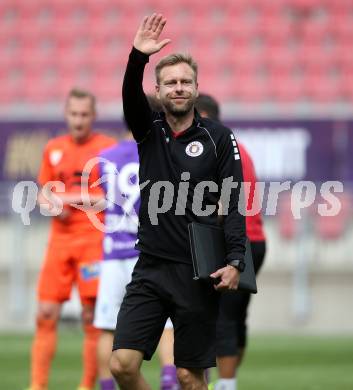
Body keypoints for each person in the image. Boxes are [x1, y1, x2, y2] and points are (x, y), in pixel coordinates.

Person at [109, 13, 246, 390]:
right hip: (150, 267)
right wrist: (137, 56)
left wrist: (236, 260)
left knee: (188, 375)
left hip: (197, 272)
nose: (179, 88)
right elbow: (129, 98)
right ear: (158, 90)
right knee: (121, 364)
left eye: (186, 82)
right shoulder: (148, 130)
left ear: (197, 87)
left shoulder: (219, 137)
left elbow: (234, 201)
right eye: (170, 83)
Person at [27, 88, 116, 390]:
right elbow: (43, 192)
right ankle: (37, 385)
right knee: (46, 312)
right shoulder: (53, 148)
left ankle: (86, 385)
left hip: (93, 240)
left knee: (92, 317)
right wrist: (50, 204)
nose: (78, 121)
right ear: (66, 114)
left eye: (84, 115)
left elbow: (109, 197)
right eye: (73, 114)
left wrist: (65, 197)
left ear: (93, 116)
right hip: (60, 241)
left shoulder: (107, 149)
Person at [195, 93, 266, 390]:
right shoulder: (239, 147)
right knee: (236, 318)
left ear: (205, 117)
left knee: (220, 317)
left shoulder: (216, 149)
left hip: (234, 239)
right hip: (256, 239)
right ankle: (228, 381)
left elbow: (223, 203)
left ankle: (225, 384)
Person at [93, 128, 141, 390]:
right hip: (145, 253)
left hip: (113, 252)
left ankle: (106, 387)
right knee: (168, 325)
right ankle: (169, 382)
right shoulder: (154, 150)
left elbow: (100, 201)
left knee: (107, 327)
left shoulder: (104, 157)